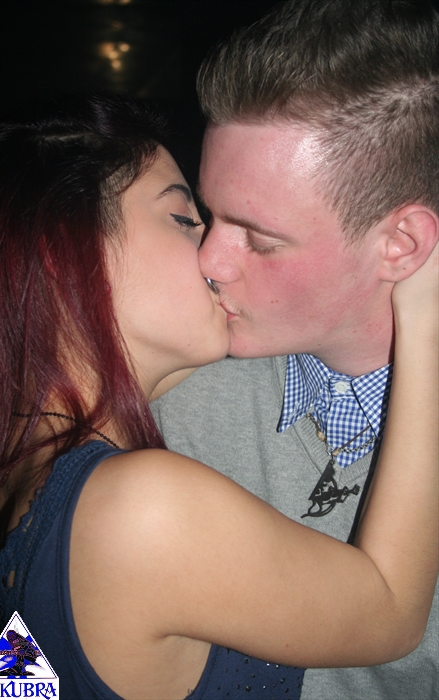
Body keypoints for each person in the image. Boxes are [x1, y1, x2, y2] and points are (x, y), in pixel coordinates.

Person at [0, 95, 437, 700]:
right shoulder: (139, 507)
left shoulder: (13, 478)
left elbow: (12, 686)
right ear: (64, 254)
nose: (211, 257)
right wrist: (424, 314)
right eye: (183, 218)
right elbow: (391, 610)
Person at [151, 1, 439, 699]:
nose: (209, 261)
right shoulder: (167, 383)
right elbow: (27, 643)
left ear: (401, 246)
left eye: (259, 238)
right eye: (205, 215)